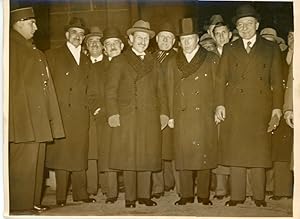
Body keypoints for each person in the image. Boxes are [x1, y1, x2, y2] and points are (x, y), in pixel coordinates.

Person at [215, 4, 283, 207]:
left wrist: (277, 109)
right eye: (240, 24)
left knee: (258, 152)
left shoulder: (271, 48)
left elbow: (277, 81)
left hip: (260, 107)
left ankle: (259, 196)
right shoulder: (230, 48)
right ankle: (237, 196)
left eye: (249, 23)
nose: (244, 28)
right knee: (236, 151)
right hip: (235, 106)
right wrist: (219, 104)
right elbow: (220, 80)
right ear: (236, 28)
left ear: (257, 25)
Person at [105, 20, 169, 208]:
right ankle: (130, 198)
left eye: (145, 38)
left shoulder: (154, 62)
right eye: (138, 37)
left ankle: (144, 195)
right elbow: (110, 90)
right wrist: (113, 114)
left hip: (149, 116)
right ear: (130, 39)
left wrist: (164, 113)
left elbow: (161, 90)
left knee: (147, 156)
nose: (142, 41)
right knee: (129, 157)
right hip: (127, 116)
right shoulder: (120, 60)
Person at [9, 7, 64, 212]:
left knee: (36, 161)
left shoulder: (30, 48)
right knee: (23, 163)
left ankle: (32, 201)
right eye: (32, 23)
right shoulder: (11, 47)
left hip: (37, 117)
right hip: (23, 118)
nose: (36, 27)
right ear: (19, 22)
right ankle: (19, 206)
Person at [166, 17, 219, 206]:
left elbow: (217, 87)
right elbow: (169, 89)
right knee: (184, 154)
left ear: (197, 39)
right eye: (183, 40)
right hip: (182, 115)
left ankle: (204, 195)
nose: (187, 43)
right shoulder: (173, 62)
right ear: (179, 42)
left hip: (204, 113)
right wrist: (171, 115)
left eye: (190, 38)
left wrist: (217, 109)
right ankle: (186, 195)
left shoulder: (211, 58)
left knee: (204, 154)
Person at [45, 17, 96, 206]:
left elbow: (90, 86)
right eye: (75, 32)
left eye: (82, 34)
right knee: (63, 155)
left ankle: (80, 194)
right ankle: (60, 197)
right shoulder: (53, 54)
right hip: (62, 112)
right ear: (67, 34)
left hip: (81, 113)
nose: (78, 36)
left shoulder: (86, 58)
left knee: (79, 153)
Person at [88, 26, 125, 204]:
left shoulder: (130, 63)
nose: (112, 47)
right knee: (108, 153)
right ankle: (111, 192)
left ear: (122, 45)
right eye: (108, 44)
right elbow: (92, 94)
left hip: (129, 116)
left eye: (115, 43)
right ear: (104, 48)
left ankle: (131, 189)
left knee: (128, 152)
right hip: (105, 117)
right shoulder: (97, 68)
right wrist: (99, 110)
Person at [260, 27, 293, 200]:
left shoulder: (284, 59)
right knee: (268, 149)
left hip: (283, 108)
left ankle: (282, 190)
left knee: (282, 151)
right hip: (264, 108)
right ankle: (269, 188)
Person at [151, 21, 180, 199]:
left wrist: (172, 113)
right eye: (162, 37)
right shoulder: (149, 57)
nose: (165, 41)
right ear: (156, 39)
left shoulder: (178, 59)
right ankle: (158, 186)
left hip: (171, 110)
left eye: (169, 38)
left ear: (174, 41)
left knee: (173, 149)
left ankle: (176, 185)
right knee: (156, 149)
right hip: (153, 111)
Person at [211, 21, 232, 199]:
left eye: (224, 32)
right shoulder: (209, 57)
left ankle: (241, 187)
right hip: (216, 108)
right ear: (212, 36)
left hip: (238, 107)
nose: (221, 36)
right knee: (219, 146)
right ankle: (220, 187)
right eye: (217, 33)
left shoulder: (239, 52)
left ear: (230, 34)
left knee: (239, 146)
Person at [85, 26, 104, 196]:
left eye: (97, 41)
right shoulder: (83, 64)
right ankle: (91, 187)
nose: (94, 45)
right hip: (87, 115)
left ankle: (107, 187)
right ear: (87, 48)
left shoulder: (111, 63)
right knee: (91, 151)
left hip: (105, 113)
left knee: (105, 149)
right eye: (91, 42)